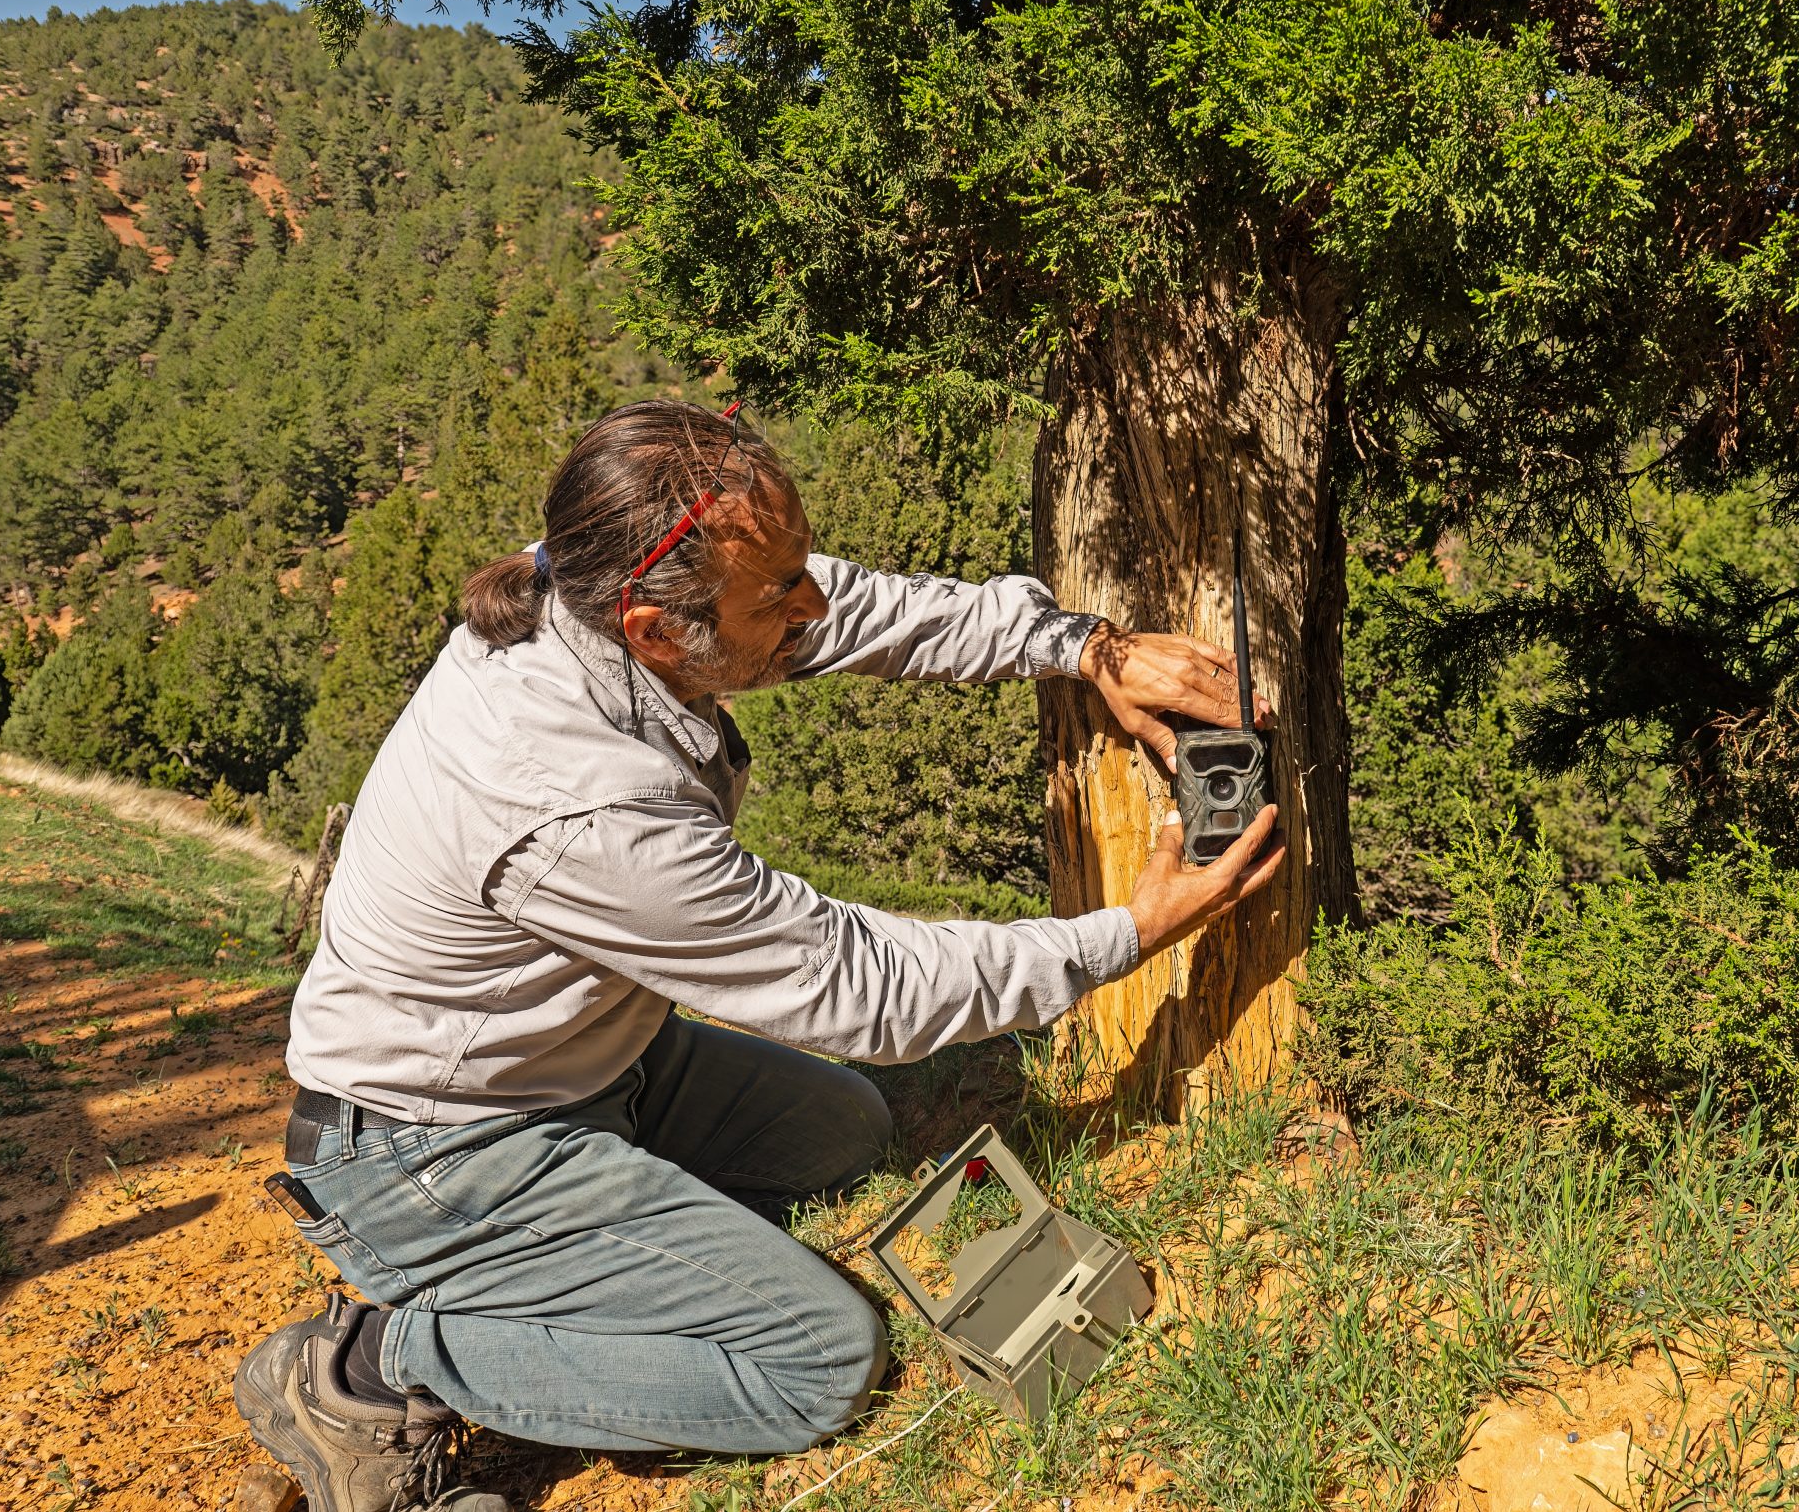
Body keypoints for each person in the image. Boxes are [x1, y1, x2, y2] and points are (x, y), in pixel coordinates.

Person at [233, 400, 1283, 1512]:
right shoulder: (571, 802)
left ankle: (580, 1252)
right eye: (777, 591)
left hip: (586, 1065)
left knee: (847, 1132)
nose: (812, 604)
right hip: (434, 1150)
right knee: (814, 1362)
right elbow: (852, 986)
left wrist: (1080, 645)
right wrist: (1127, 931)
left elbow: (855, 609)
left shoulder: (595, 580)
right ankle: (374, 1364)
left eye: (794, 568)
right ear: (651, 628)